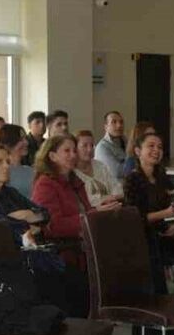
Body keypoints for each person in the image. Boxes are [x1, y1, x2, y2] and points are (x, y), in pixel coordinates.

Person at [0, 144, 120, 335]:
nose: (7, 166)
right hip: (3, 271)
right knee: (58, 287)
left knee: (79, 283)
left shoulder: (9, 193)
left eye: (7, 161)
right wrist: (24, 221)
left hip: (29, 258)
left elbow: (43, 214)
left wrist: (25, 218)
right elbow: (0, 229)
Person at [122, 131, 174, 335]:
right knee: (149, 290)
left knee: (165, 290)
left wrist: (172, 223)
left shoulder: (161, 177)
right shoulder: (133, 179)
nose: (156, 151)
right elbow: (135, 217)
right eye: (150, 146)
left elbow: (173, 203)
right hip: (140, 239)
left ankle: (170, 333)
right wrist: (165, 214)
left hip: (159, 236)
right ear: (138, 151)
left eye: (160, 147)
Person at [31, 134, 119, 263]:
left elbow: (83, 212)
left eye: (74, 151)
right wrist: (94, 214)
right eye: (67, 151)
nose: (73, 155)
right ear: (52, 156)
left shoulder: (74, 180)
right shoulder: (45, 185)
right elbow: (52, 226)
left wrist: (100, 209)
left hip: (83, 247)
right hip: (64, 255)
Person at [73, 130, 122, 207]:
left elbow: (116, 187)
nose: (89, 149)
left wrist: (113, 198)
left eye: (92, 145)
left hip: (112, 206)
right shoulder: (72, 172)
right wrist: (103, 200)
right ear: (75, 149)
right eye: (85, 146)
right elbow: (81, 200)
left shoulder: (100, 166)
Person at [0, 124, 35, 198]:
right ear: (8, 143)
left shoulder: (30, 171)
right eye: (21, 140)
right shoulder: (1, 172)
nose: (26, 142)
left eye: (25, 138)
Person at [94, 111, 127, 177]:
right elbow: (116, 172)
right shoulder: (102, 147)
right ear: (106, 127)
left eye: (121, 122)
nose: (119, 125)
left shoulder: (126, 142)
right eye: (114, 122)